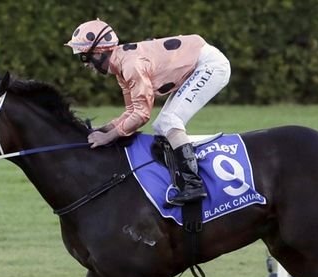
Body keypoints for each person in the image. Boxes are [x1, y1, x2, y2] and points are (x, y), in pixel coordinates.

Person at [65, 18, 231, 206]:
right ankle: (181, 179)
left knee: (170, 120)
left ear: (100, 51)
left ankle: (194, 185)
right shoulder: (121, 66)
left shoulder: (131, 65)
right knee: (162, 125)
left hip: (210, 65)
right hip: (200, 63)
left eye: (85, 56)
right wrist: (103, 129)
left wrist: (109, 136)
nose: (85, 63)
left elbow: (142, 114)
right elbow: (131, 111)